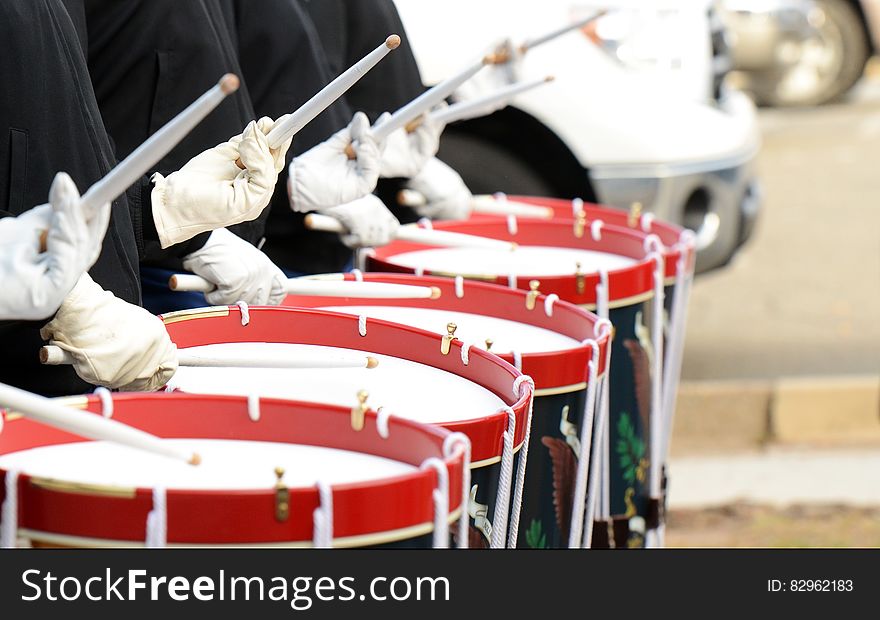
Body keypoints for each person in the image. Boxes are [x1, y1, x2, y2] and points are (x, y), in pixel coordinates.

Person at [0, 0, 283, 393]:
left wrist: (157, 208)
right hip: (30, 361)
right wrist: (29, 282)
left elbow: (66, 136)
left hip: (107, 334)